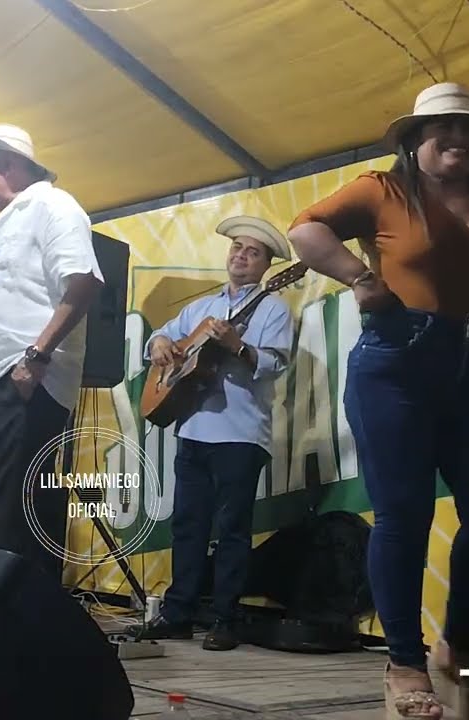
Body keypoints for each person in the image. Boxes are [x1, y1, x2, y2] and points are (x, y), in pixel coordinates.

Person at [287, 82, 469, 720]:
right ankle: (404, 664)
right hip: (397, 363)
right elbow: (304, 230)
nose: (459, 138)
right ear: (415, 139)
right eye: (444, 127)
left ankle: (458, 654)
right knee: (404, 515)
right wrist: (360, 277)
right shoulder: (382, 190)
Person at [0, 124, 104, 579]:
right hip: (5, 376)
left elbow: (84, 281)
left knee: (1, 499)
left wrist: (36, 357)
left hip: (26, 374)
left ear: (9, 164)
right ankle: (29, 606)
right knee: (22, 502)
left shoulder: (52, 204)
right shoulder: (5, 223)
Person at [131, 217, 294, 651]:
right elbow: (163, 336)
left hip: (240, 433)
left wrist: (236, 345)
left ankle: (226, 617)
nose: (241, 256)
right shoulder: (201, 308)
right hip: (194, 428)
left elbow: (275, 363)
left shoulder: (274, 309)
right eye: (237, 248)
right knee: (188, 525)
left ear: (267, 266)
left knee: (232, 529)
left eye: (252, 252)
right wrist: (158, 345)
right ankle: (178, 614)